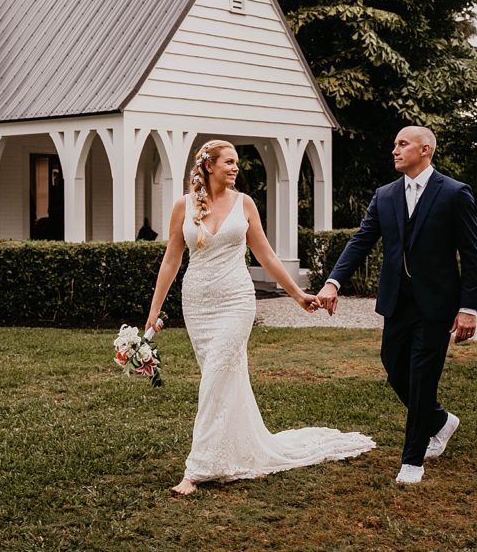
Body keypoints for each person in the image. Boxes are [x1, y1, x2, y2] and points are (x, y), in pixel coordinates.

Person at [145, 140, 376, 496]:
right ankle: (233, 450)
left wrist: (298, 295)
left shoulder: (245, 204)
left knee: (215, 378)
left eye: (237, 162)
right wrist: (155, 310)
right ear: (209, 166)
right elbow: (171, 260)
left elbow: (266, 256)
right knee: (221, 379)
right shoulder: (183, 206)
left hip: (237, 302)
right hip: (198, 305)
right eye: (229, 162)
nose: (236, 168)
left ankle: (197, 470)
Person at [316, 126, 477, 485]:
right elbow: (361, 241)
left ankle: (413, 459)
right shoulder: (386, 195)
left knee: (422, 376)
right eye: (394, 144)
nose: (394, 150)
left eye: (402, 144)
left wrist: (469, 307)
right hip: (396, 301)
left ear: (425, 150)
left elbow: (471, 255)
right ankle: (440, 420)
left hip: (437, 304)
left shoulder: (454, 194)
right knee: (394, 368)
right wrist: (333, 281)